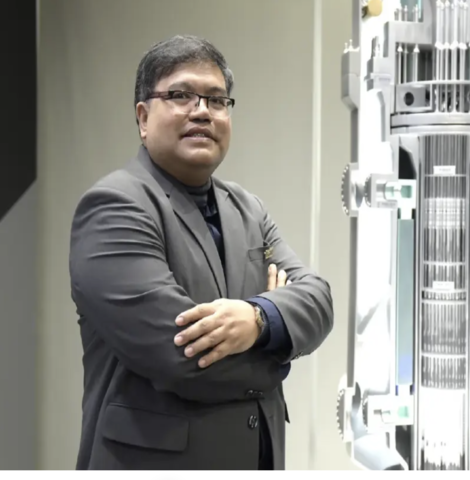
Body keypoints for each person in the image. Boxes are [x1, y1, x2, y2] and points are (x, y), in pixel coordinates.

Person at [68, 34, 334, 470]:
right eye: (180, 95)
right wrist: (279, 346)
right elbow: (181, 357)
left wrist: (257, 318)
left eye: (216, 99)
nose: (202, 111)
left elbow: (318, 300)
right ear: (143, 117)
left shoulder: (248, 209)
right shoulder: (115, 207)